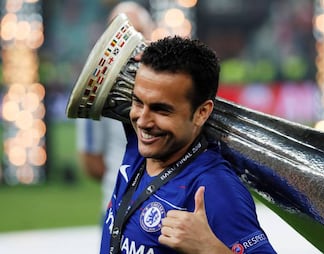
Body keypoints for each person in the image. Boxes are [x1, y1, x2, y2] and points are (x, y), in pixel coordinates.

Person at [99, 36, 277, 253]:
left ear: (201, 112)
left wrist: (211, 249)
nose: (143, 121)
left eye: (161, 109)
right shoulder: (141, 144)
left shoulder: (214, 188)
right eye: (138, 101)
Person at [76, 1, 155, 211]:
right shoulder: (96, 90)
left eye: (136, 32)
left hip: (169, 203)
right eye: (121, 34)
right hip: (118, 205)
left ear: (149, 33)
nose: (129, 42)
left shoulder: (171, 81)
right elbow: (91, 161)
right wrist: (125, 180)